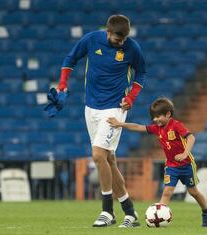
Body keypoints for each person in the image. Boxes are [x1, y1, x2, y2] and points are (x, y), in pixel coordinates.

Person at [55, 15, 146, 228]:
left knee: (97, 155)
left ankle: (107, 211)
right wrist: (62, 85)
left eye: (124, 39)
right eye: (117, 39)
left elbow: (141, 73)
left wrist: (131, 97)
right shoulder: (91, 40)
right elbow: (70, 59)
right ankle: (130, 212)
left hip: (114, 108)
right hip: (91, 108)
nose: (121, 43)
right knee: (108, 160)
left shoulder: (132, 48)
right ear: (107, 32)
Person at [107, 97, 207, 227]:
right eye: (153, 117)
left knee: (193, 192)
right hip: (171, 166)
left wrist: (185, 153)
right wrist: (120, 124)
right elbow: (138, 127)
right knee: (167, 191)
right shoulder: (157, 128)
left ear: (168, 114)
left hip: (186, 164)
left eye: (158, 116)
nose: (155, 119)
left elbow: (191, 138)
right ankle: (158, 219)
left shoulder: (176, 125)